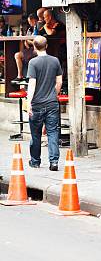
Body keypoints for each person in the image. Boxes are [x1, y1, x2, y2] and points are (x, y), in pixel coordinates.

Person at [26, 36, 63, 171]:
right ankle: (54, 162)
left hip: (37, 104)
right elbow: (59, 82)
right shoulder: (55, 61)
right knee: (53, 132)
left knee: (35, 134)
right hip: (52, 103)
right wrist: (54, 94)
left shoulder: (33, 63)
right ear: (46, 46)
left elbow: (32, 84)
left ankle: (35, 161)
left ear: (34, 47)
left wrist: (28, 102)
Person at [13, 13, 38, 82]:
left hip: (37, 49)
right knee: (17, 55)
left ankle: (26, 76)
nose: (29, 23)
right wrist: (27, 41)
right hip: (30, 49)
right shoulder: (30, 29)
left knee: (20, 55)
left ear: (34, 20)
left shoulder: (39, 27)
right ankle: (20, 76)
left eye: (30, 21)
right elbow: (26, 42)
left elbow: (37, 42)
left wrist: (29, 41)